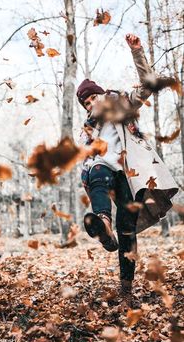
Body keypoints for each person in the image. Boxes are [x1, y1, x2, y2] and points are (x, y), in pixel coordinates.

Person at [77, 34, 178, 305]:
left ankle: (125, 289)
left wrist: (137, 52)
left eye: (92, 98)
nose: (90, 104)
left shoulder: (121, 104)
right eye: (85, 103)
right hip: (102, 172)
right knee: (96, 170)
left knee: (127, 230)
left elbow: (148, 85)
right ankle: (103, 225)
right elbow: (85, 159)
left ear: (102, 94)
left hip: (128, 177)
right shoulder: (87, 130)